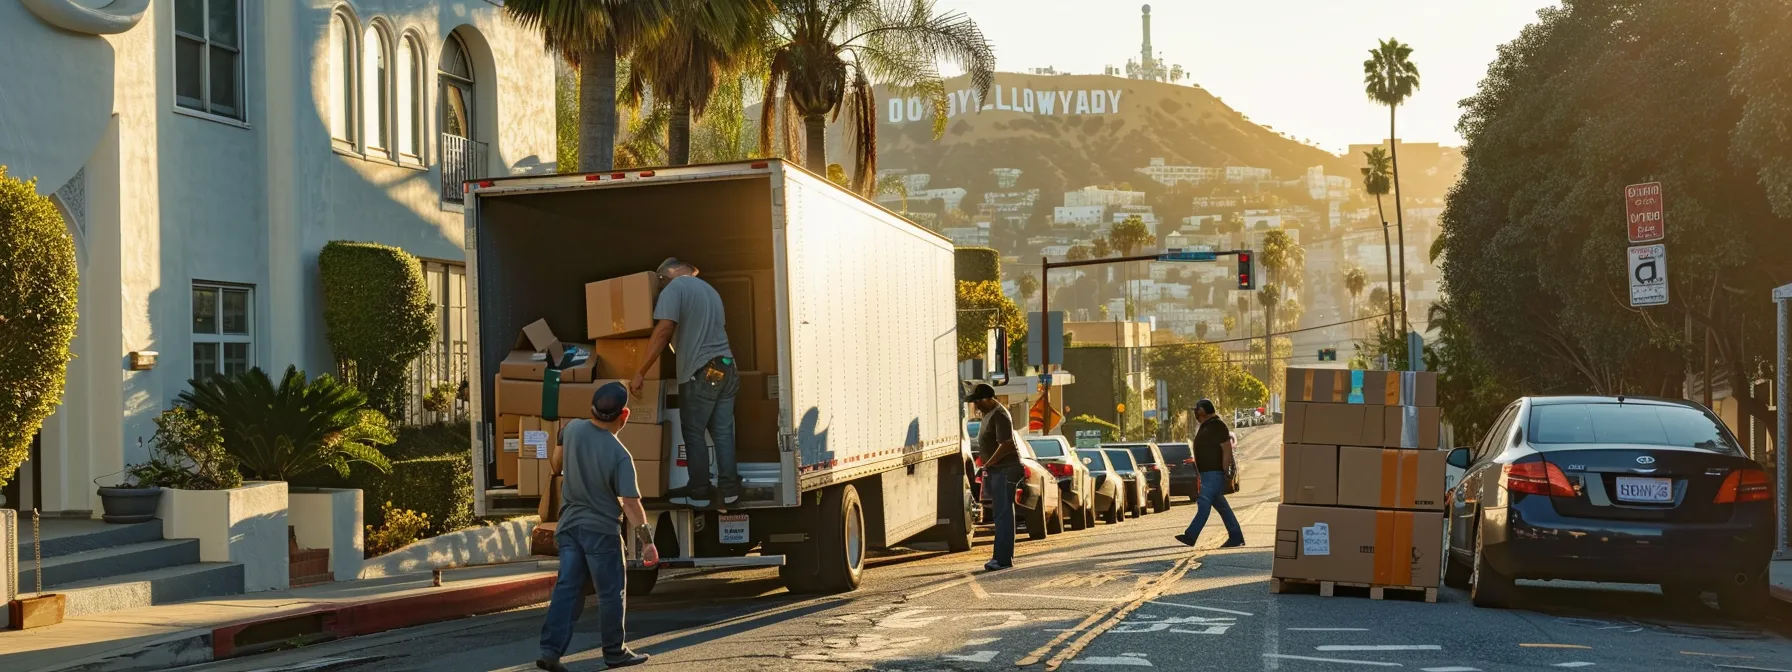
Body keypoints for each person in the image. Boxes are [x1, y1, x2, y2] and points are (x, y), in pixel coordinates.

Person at [536, 382, 658, 671]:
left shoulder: (572, 430)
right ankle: (615, 652)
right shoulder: (620, 455)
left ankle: (550, 651)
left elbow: (556, 465)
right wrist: (647, 541)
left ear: (592, 408)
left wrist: (562, 442)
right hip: (601, 532)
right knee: (610, 592)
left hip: (568, 528)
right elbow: (630, 504)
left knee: (568, 588)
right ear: (624, 415)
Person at [634, 257, 740, 509]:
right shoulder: (709, 290)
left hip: (701, 370)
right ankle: (729, 490)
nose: (660, 287)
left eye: (661, 282)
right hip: (726, 367)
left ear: (667, 273)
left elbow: (664, 330)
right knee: (723, 432)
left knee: (693, 432)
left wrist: (641, 371)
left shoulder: (674, 288)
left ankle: (699, 491)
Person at [1175, 398, 1245, 549]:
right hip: (1208, 474)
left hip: (1214, 473)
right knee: (1222, 508)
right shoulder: (1206, 426)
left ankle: (1191, 535)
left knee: (1203, 503)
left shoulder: (1218, 426)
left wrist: (1226, 472)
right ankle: (1236, 536)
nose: (1196, 415)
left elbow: (1227, 451)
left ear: (1203, 411)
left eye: (1198, 411)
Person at [966, 383, 1019, 571]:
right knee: (1000, 514)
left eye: (978, 402)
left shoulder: (1000, 414)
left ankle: (1003, 559)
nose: (976, 406)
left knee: (1003, 514)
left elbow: (1007, 445)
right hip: (998, 469)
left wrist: (988, 463)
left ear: (988, 399)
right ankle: (1000, 557)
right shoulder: (990, 414)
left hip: (1005, 469)